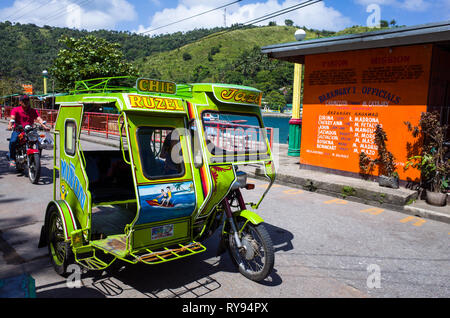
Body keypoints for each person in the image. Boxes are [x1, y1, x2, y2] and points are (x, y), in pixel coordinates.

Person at [7, 95, 50, 167]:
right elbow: (12, 118)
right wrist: (10, 125)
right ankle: (12, 159)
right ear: (20, 102)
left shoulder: (33, 111)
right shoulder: (16, 109)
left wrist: (44, 126)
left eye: (27, 100)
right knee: (13, 141)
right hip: (18, 130)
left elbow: (39, 119)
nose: (26, 102)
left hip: (30, 131)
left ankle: (37, 159)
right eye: (24, 101)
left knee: (40, 142)